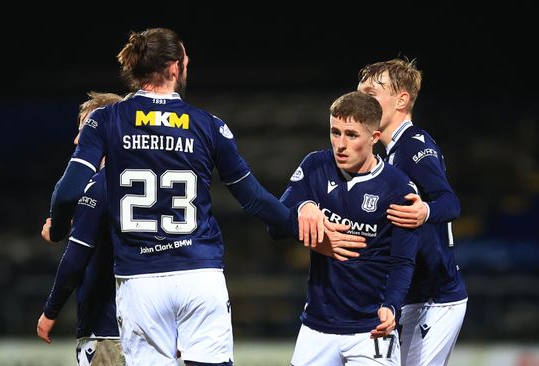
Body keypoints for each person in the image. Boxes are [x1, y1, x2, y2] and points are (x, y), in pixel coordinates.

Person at [43, 28, 361, 365]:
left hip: (140, 282)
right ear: (174, 68)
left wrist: (59, 227)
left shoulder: (106, 120)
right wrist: (302, 231)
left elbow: (67, 193)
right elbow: (252, 197)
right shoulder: (208, 125)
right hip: (199, 275)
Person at [270, 91, 420, 365]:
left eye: (351, 135)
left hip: (371, 329)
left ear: (374, 138)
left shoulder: (397, 188)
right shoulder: (315, 165)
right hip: (316, 327)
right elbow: (276, 227)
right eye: (335, 132)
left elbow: (403, 261)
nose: (340, 144)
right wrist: (304, 208)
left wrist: (392, 306)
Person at [357, 58, 468, 366]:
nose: (362, 101)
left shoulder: (413, 145)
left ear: (402, 99)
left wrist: (426, 211)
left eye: (372, 93)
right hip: (411, 298)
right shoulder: (386, 155)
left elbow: (450, 202)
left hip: (436, 299)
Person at [37, 92, 125, 366]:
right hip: (152, 325)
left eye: (85, 131)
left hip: (106, 330)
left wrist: (50, 311)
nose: (78, 140)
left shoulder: (100, 186)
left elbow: (75, 260)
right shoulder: (147, 185)